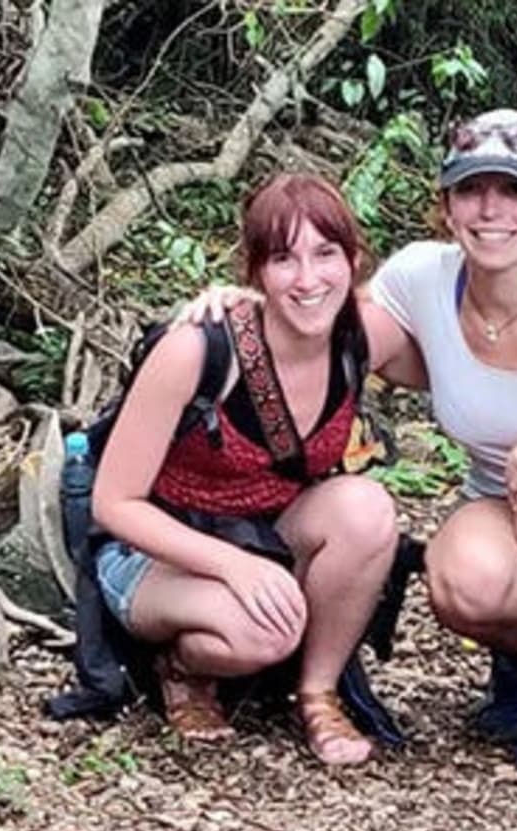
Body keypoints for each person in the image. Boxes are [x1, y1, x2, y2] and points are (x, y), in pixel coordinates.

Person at [188, 110, 517, 774]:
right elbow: (323, 330)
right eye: (471, 190)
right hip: (503, 503)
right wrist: (245, 308)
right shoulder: (422, 279)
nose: (492, 209)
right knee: (461, 584)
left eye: (515, 191)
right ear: (447, 206)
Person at [90, 173, 403, 761]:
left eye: (325, 254)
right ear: (255, 271)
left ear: (354, 261)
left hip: (266, 533)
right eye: (284, 259)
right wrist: (232, 565)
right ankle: (180, 667)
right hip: (153, 551)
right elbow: (115, 502)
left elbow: (478, 347)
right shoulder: (197, 349)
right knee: (265, 629)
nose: (308, 280)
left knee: (368, 509)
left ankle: (318, 694)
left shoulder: (365, 335)